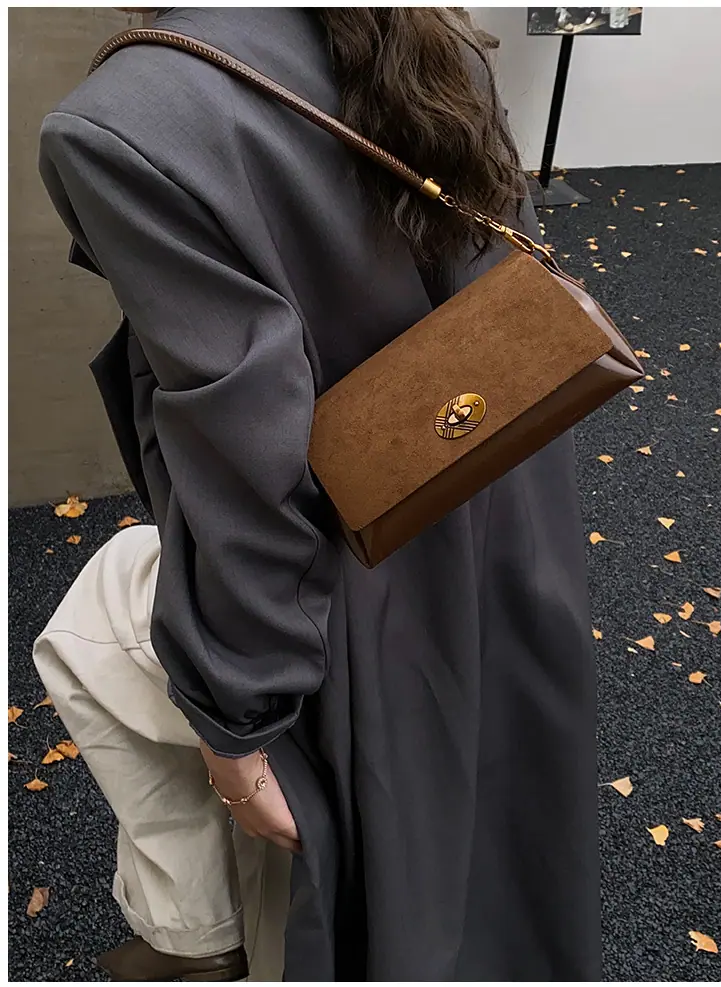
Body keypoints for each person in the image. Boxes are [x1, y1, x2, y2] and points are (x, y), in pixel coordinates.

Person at [34, 7, 601, 982]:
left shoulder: (122, 120)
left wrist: (237, 730)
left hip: (352, 560)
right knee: (496, 830)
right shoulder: (424, 31)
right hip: (501, 491)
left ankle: (195, 939)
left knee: (95, 641)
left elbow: (249, 460)